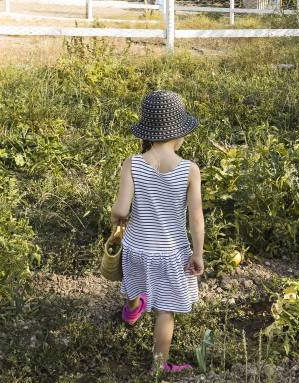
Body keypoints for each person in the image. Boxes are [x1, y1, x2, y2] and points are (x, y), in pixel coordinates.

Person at [110, 90, 205, 374]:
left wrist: (116, 222)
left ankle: (132, 310)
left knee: (134, 282)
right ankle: (158, 367)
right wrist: (197, 253)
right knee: (165, 311)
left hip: (136, 248)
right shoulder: (189, 170)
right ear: (180, 134)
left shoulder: (133, 163)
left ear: (147, 132)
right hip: (170, 253)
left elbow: (121, 209)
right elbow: (196, 218)